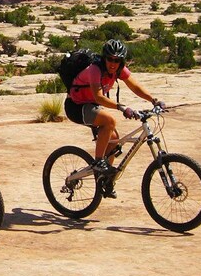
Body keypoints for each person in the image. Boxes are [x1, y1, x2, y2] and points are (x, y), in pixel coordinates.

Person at [63, 39, 163, 198]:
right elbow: (99, 97)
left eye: (117, 60)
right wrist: (122, 107)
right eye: (110, 59)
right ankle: (98, 163)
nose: (113, 63)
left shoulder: (119, 70)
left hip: (90, 105)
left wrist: (153, 100)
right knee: (109, 121)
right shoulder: (95, 69)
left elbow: (135, 86)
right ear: (104, 58)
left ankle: (106, 180)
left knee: (114, 140)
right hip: (76, 106)